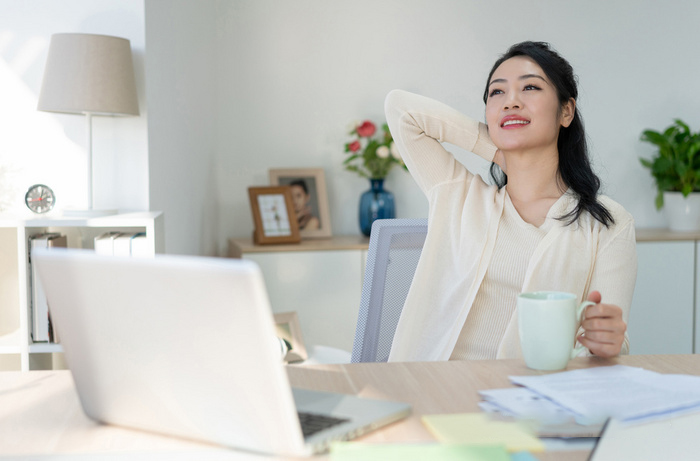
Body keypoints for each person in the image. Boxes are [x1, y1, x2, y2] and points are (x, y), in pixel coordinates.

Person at [384, 41, 637, 362]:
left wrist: (609, 340)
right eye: (497, 92)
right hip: (438, 393)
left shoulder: (608, 223)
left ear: (566, 111)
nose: (511, 102)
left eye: (530, 87)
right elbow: (401, 110)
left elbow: (614, 342)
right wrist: (501, 152)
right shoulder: (458, 196)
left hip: (535, 401)